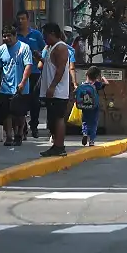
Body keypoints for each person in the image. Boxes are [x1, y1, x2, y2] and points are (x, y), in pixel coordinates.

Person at [38, 22, 73, 157]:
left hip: (58, 91)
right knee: (52, 119)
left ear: (52, 34)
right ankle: (55, 145)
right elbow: (50, 66)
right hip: (51, 91)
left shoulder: (60, 48)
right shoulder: (51, 48)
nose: (44, 39)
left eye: (45, 35)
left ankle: (59, 145)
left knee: (58, 118)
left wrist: (52, 86)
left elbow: (60, 69)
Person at [0, 25, 32, 147]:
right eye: (4, 36)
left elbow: (28, 66)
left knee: (20, 114)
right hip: (5, 87)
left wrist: (23, 82)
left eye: (9, 36)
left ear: (15, 36)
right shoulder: (1, 50)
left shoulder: (24, 48)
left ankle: (19, 134)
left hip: (21, 87)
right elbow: (0, 69)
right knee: (6, 113)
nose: (6, 38)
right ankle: (9, 136)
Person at [15, 11, 45, 139]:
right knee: (21, 101)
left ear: (28, 20)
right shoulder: (15, 35)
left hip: (34, 73)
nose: (21, 21)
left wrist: (39, 56)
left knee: (35, 101)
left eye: (23, 19)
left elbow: (44, 50)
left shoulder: (36, 35)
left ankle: (34, 126)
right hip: (20, 73)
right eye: (19, 19)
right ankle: (23, 128)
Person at [74, 67, 104, 147]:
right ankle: (91, 140)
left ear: (87, 74)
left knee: (85, 121)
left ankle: (84, 133)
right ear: (97, 76)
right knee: (94, 123)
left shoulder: (83, 84)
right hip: (94, 107)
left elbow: (76, 93)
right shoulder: (96, 84)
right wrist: (102, 78)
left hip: (84, 106)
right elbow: (106, 84)